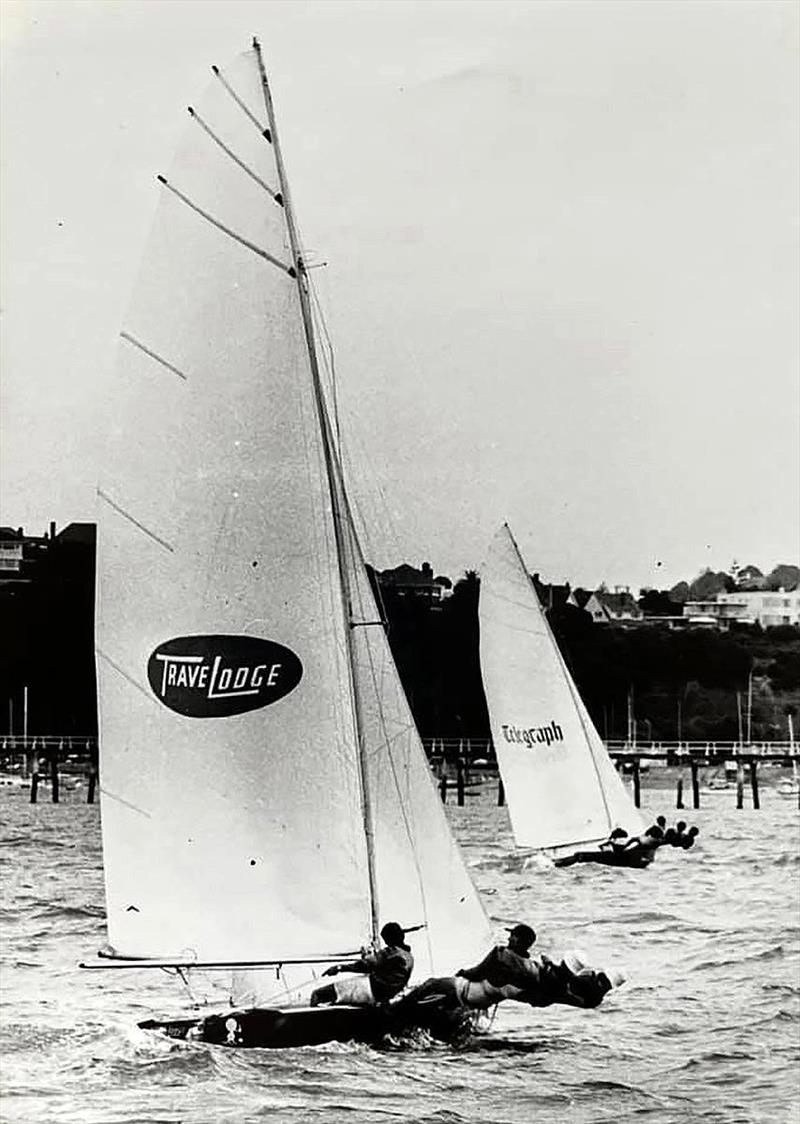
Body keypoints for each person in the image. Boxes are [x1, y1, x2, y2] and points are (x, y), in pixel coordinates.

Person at [310, 922, 414, 1008]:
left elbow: (365, 965)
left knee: (318, 994)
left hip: (369, 989)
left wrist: (339, 968)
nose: (386, 943)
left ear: (391, 938)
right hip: (384, 996)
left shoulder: (392, 952)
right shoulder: (409, 957)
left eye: (386, 940)